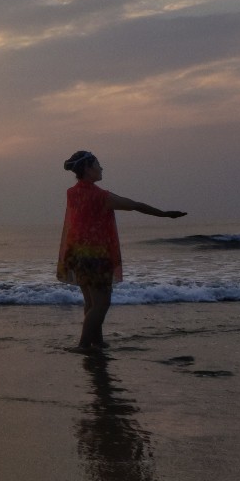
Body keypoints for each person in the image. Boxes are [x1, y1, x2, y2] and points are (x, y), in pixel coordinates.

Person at [57, 150, 185, 350]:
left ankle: (96, 342)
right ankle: (83, 345)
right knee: (101, 304)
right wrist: (164, 214)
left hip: (77, 254)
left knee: (91, 302)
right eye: (97, 164)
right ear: (88, 169)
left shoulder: (72, 193)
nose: (101, 168)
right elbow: (134, 205)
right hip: (97, 256)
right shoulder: (101, 196)